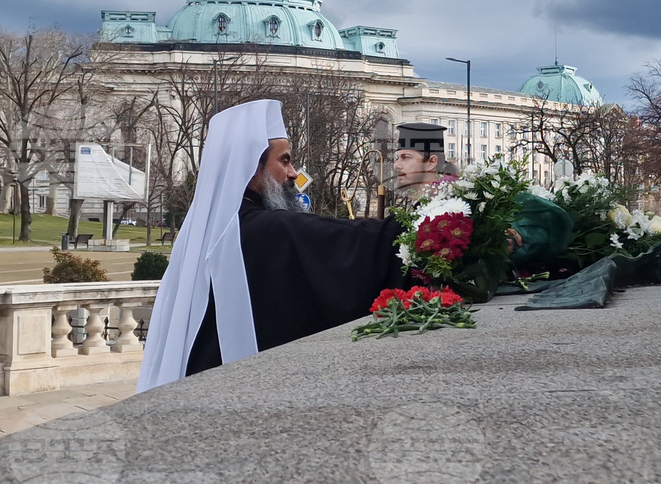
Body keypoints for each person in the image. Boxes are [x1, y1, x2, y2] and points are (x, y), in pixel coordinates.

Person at [138, 100, 405, 392]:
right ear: (252, 166)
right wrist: (428, 229)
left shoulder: (211, 231)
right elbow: (358, 244)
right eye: (285, 160)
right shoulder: (263, 228)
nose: (293, 173)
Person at [393, 122, 447, 202]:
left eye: (406, 157)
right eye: (397, 158)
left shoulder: (448, 211)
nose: (396, 165)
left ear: (431, 162)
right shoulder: (408, 209)